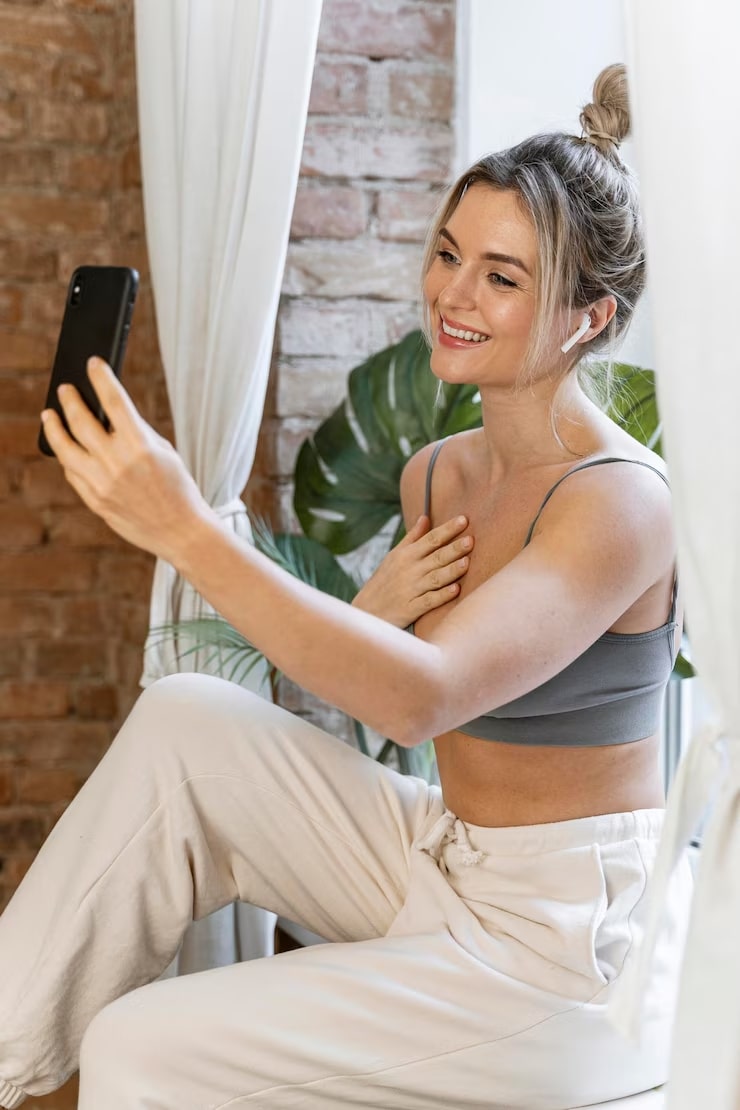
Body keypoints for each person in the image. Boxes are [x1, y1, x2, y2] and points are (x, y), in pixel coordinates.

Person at [0, 63, 692, 1109]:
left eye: (502, 279)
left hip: (559, 950)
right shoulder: (437, 474)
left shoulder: (620, 503)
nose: (453, 296)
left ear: (585, 319)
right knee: (188, 721)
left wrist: (185, 528)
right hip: (442, 856)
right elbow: (390, 686)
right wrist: (370, 617)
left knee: (142, 1046)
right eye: (450, 254)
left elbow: (421, 694)